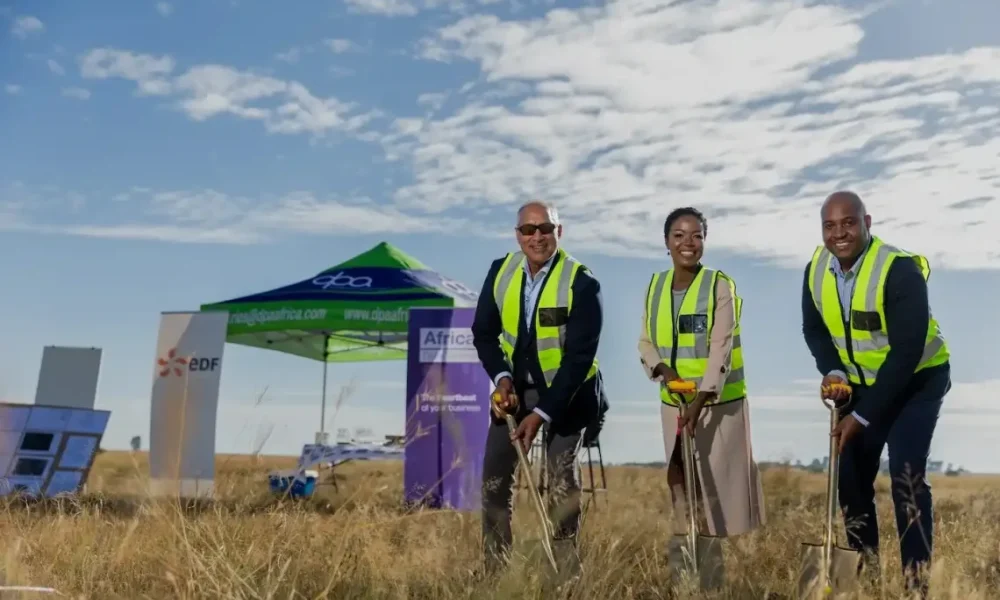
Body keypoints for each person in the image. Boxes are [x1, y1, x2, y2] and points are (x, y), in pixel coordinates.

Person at [801, 191, 951, 595]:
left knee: (906, 478)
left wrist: (862, 417)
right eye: (830, 226)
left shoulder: (898, 270)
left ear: (868, 222)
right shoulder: (816, 268)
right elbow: (814, 330)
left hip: (917, 381)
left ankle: (915, 586)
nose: (839, 233)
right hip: (860, 384)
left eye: (848, 223)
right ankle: (863, 583)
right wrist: (833, 371)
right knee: (849, 482)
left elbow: (905, 352)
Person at [471, 200, 608, 582]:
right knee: (494, 484)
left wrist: (542, 414)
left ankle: (566, 577)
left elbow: (579, 359)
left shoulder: (583, 282)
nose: (536, 237)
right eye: (528, 230)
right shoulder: (501, 272)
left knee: (562, 484)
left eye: (545, 228)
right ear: (517, 235)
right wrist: (502, 379)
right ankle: (496, 575)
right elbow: (483, 334)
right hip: (513, 395)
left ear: (558, 232)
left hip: (569, 395)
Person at [637, 207, 766, 566]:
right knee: (682, 489)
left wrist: (697, 405)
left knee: (721, 496)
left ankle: (726, 574)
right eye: (679, 235)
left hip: (718, 407)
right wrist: (662, 369)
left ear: (705, 241)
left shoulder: (718, 285)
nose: (687, 243)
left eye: (696, 235)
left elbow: (720, 348)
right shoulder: (655, 286)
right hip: (674, 407)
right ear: (667, 242)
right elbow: (646, 342)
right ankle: (690, 572)